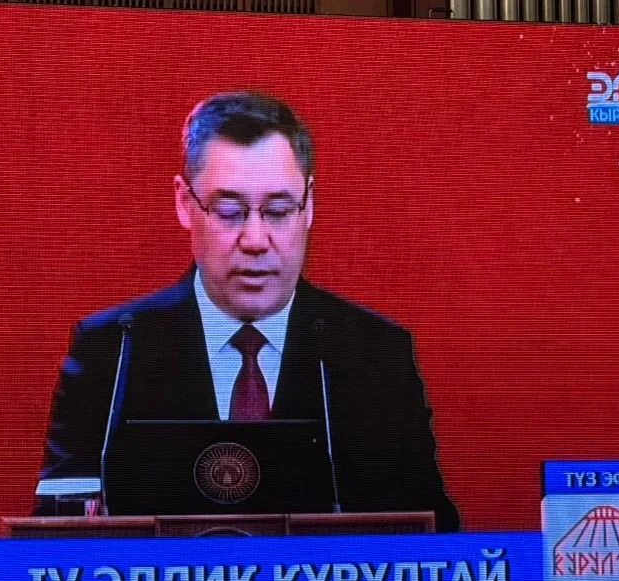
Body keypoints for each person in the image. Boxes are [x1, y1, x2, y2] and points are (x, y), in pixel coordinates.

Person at [35, 91, 459, 531]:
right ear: (185, 203)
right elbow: (55, 541)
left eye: (278, 211)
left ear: (309, 205)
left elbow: (433, 541)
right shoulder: (113, 353)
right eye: (229, 212)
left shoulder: (376, 356)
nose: (255, 240)